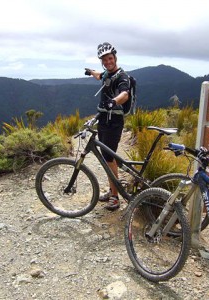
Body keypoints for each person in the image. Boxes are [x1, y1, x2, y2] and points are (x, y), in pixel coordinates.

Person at [85, 42, 131, 211]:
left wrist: (114, 101)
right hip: (104, 120)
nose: (108, 62)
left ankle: (115, 197)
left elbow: (124, 94)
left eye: (110, 58)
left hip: (114, 123)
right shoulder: (106, 74)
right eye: (104, 60)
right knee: (106, 158)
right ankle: (112, 190)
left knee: (109, 159)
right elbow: (100, 75)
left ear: (115, 58)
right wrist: (91, 72)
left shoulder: (122, 76)